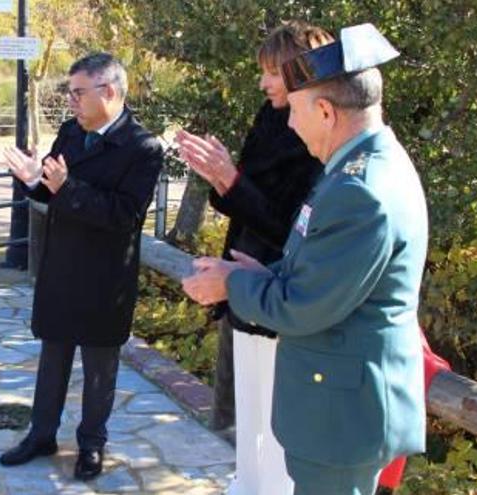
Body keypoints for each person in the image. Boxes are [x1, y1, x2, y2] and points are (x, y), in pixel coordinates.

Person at [181, 23, 428, 495]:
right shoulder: (366, 166)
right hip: (342, 410)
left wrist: (231, 284)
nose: (289, 123)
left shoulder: (359, 191)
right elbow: (319, 265)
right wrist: (261, 273)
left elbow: (303, 304)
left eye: (294, 110)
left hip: (341, 419)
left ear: (325, 111)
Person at [175, 20, 333, 495]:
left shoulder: (320, 136)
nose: (263, 83)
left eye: (271, 73)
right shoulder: (270, 118)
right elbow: (251, 201)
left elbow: (293, 232)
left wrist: (232, 179)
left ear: (301, 71)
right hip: (243, 284)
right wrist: (225, 179)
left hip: (279, 295)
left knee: (276, 426)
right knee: (249, 419)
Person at [0, 53, 164, 480]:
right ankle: (42, 434)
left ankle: (92, 444)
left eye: (77, 93)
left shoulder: (143, 148)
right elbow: (52, 190)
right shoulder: (72, 132)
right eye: (70, 93)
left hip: (105, 277)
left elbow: (125, 214)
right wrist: (35, 179)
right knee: (52, 357)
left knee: (98, 369)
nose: (70, 102)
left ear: (108, 91)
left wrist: (67, 187)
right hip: (61, 264)